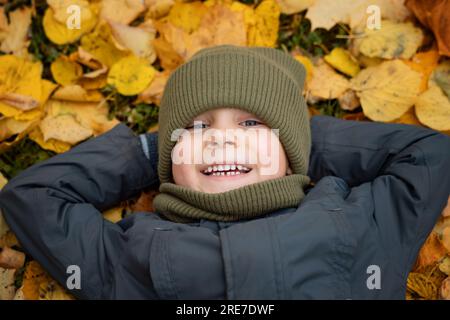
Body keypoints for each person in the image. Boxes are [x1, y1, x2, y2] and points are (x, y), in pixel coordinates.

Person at [0, 45, 449, 299]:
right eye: (196, 127)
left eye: (251, 123)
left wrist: (301, 143)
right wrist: (150, 151)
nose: (221, 138)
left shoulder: (360, 224)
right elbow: (35, 194)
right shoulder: (125, 257)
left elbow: (430, 154)